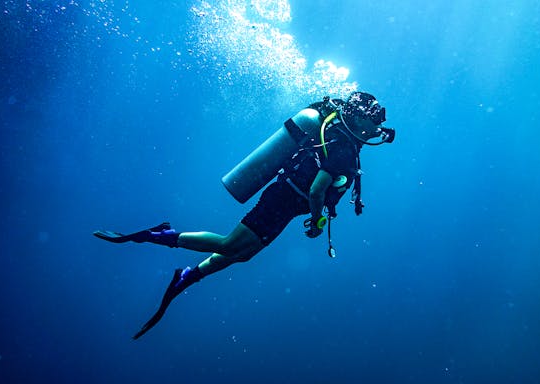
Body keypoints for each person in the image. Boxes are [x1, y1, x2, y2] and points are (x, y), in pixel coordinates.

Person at [94, 91, 395, 339]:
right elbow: (317, 191)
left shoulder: (341, 141)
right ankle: (155, 236)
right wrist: (317, 222)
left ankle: (185, 276)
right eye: (372, 122)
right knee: (228, 245)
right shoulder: (343, 149)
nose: (375, 130)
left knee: (243, 254)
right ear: (357, 117)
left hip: (286, 203)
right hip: (283, 200)